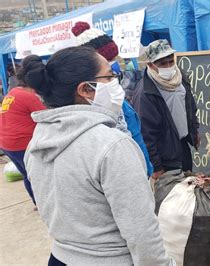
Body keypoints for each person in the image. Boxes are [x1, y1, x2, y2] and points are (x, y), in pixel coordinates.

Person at [23, 46, 175, 265]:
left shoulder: (37, 142)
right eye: (110, 76)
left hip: (60, 257)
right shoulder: (112, 145)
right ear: (86, 89)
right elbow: (142, 233)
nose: (117, 83)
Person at [72, 21, 153, 176]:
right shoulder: (86, 119)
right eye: (108, 74)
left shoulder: (119, 103)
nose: (115, 74)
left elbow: (136, 136)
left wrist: (147, 168)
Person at [132, 39, 199, 180]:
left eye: (170, 61)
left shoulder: (181, 78)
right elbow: (146, 132)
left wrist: (194, 130)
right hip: (165, 155)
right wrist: (156, 166)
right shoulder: (145, 92)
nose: (168, 66)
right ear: (150, 65)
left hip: (182, 146)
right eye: (162, 63)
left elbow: (190, 107)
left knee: (188, 186)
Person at [0, 55, 46, 207]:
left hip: (7, 143)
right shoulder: (29, 97)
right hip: (21, 143)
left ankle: (37, 203)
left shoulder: (13, 92)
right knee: (37, 174)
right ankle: (43, 204)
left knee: (27, 174)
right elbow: (47, 117)